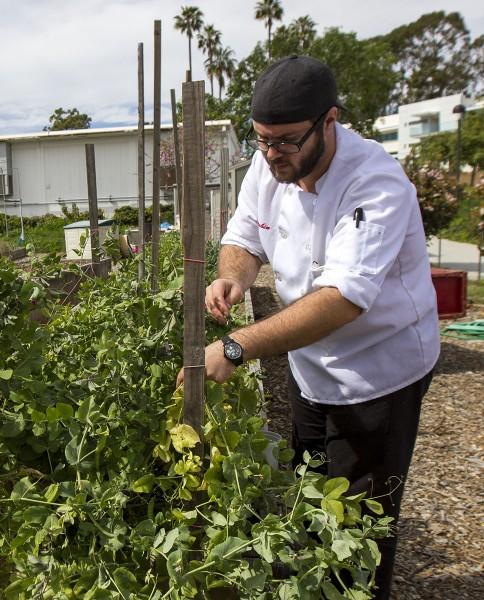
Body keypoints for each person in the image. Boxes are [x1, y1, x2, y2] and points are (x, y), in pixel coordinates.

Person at [183, 56, 440, 599]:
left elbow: (343, 301)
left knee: (359, 528)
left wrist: (234, 347)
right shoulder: (270, 163)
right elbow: (245, 235)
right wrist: (233, 277)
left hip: (378, 376)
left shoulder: (376, 183)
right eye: (262, 141)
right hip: (310, 368)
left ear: (330, 121)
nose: (273, 154)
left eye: (286, 141)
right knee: (310, 500)